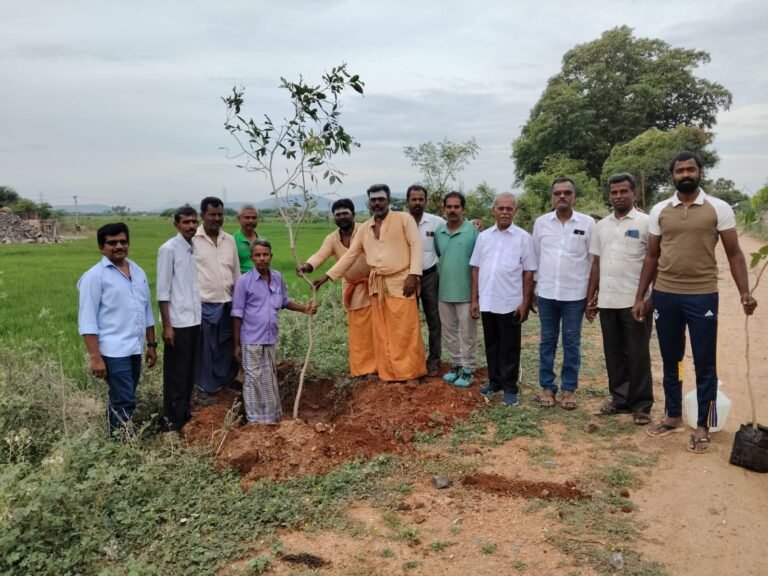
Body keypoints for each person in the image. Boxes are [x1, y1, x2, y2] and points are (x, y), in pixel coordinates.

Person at [632, 150, 757, 453]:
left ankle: (703, 423)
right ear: (672, 175)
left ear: (700, 172)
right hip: (666, 295)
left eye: (690, 169)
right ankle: (673, 415)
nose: (685, 174)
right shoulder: (661, 209)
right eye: (679, 171)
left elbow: (734, 253)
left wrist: (744, 291)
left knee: (704, 363)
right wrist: (642, 296)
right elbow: (651, 256)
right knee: (672, 358)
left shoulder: (719, 208)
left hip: (702, 295)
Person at [315, 184, 426, 384]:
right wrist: (327, 276)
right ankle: (389, 371)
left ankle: (410, 373)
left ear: (388, 201)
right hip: (378, 285)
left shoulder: (404, 219)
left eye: (381, 199)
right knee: (383, 330)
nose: (377, 203)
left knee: (405, 329)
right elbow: (350, 255)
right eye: (373, 200)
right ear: (369, 202)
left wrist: (414, 274)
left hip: (402, 281)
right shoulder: (365, 228)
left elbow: (416, 245)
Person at [586, 174, 653, 425]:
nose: (618, 196)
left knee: (637, 353)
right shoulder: (601, 225)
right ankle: (619, 399)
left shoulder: (647, 223)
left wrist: (649, 297)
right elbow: (596, 263)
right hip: (608, 300)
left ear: (633, 193)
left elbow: (654, 261)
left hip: (635, 301)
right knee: (613, 353)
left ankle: (642, 404)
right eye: (614, 192)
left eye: (623, 191)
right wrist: (591, 295)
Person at [77, 222, 157, 435]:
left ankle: (113, 437)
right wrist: (95, 357)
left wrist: (151, 344)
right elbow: (87, 320)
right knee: (125, 399)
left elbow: (147, 310)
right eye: (112, 243)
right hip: (113, 350)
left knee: (123, 396)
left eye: (123, 241)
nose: (118, 246)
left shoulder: (138, 272)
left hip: (134, 348)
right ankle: (122, 444)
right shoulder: (94, 277)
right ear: (101, 248)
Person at [232, 240, 317, 424]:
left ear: (271, 256)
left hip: (270, 338)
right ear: (251, 258)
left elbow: (284, 301)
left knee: (268, 378)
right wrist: (236, 344)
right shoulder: (244, 282)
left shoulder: (277, 277)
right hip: (251, 339)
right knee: (253, 379)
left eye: (265, 255)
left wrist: (305, 309)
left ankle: (271, 418)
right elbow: (237, 314)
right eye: (258, 255)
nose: (262, 259)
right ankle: (254, 421)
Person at [532, 177, 595, 410]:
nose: (562, 196)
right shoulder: (541, 223)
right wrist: (533, 292)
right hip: (547, 293)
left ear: (574, 196)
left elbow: (592, 261)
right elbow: (535, 258)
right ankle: (547, 387)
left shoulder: (587, 223)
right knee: (547, 341)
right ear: (552, 197)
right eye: (557, 193)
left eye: (567, 192)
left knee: (571, 342)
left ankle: (569, 389)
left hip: (575, 294)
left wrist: (590, 296)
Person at [469, 193, 536, 406]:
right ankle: (494, 382)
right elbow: (476, 269)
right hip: (488, 300)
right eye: (501, 208)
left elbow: (528, 272)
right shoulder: (484, 237)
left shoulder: (524, 238)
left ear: (514, 211)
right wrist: (474, 300)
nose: (505, 212)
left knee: (510, 346)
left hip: (510, 302)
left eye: (509, 208)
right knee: (491, 344)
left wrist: (525, 303)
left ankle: (509, 387)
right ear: (493, 211)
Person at [298, 198, 376, 378]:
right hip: (353, 287)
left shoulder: (364, 230)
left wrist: (327, 276)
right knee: (358, 330)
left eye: (345, 213)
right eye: (338, 214)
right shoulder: (332, 238)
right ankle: (362, 369)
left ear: (353, 215)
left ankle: (379, 366)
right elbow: (321, 254)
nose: (342, 217)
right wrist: (307, 266)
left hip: (373, 285)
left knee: (376, 327)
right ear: (334, 217)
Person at [157, 205, 202, 432]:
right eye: (186, 222)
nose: (191, 226)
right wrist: (167, 326)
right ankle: (172, 422)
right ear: (177, 224)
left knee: (189, 371)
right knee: (176, 373)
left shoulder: (194, 249)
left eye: (194, 222)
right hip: (178, 323)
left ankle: (184, 414)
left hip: (195, 320)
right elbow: (163, 291)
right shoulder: (169, 250)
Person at [193, 196, 240, 398]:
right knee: (205, 350)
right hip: (204, 304)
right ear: (202, 215)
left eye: (220, 214)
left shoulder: (229, 240)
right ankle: (204, 389)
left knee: (225, 348)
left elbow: (236, 273)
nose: (217, 219)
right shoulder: (193, 240)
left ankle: (224, 386)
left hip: (228, 303)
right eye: (212, 214)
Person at [434, 191, 479, 388]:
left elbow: (479, 264)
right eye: (449, 207)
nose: (452, 210)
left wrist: (476, 296)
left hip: (466, 292)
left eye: (456, 207)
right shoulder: (439, 232)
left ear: (463, 209)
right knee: (449, 332)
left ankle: (468, 369)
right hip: (444, 291)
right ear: (444, 209)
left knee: (468, 333)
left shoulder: (473, 231)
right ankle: (456, 365)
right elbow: (439, 254)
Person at [406, 184, 445, 376]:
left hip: (430, 276)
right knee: (408, 321)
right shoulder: (400, 221)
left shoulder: (436, 222)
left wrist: (475, 224)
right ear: (407, 201)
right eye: (413, 199)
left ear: (425, 201)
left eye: (421, 199)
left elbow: (455, 227)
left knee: (434, 319)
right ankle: (412, 359)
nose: (417, 203)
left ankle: (434, 359)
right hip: (406, 279)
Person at [234, 204, 260, 273]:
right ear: (239, 219)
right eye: (247, 218)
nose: (251, 221)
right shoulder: (232, 240)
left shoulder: (261, 240)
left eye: (254, 218)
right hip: (242, 281)